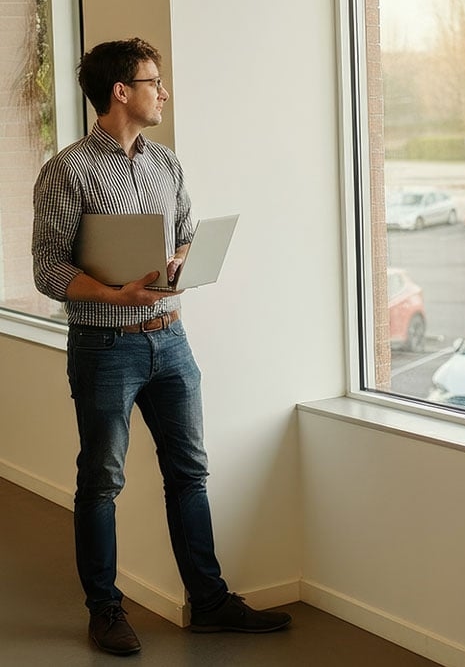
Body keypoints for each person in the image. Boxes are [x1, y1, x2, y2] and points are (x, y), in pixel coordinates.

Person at [32, 38, 290, 656]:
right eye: (154, 81)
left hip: (171, 341)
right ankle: (105, 611)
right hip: (104, 344)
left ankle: (209, 602)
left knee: (190, 473)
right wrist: (112, 294)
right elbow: (46, 268)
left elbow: (190, 234)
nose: (163, 91)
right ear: (121, 91)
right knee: (101, 481)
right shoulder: (67, 170)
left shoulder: (166, 165)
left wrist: (181, 259)